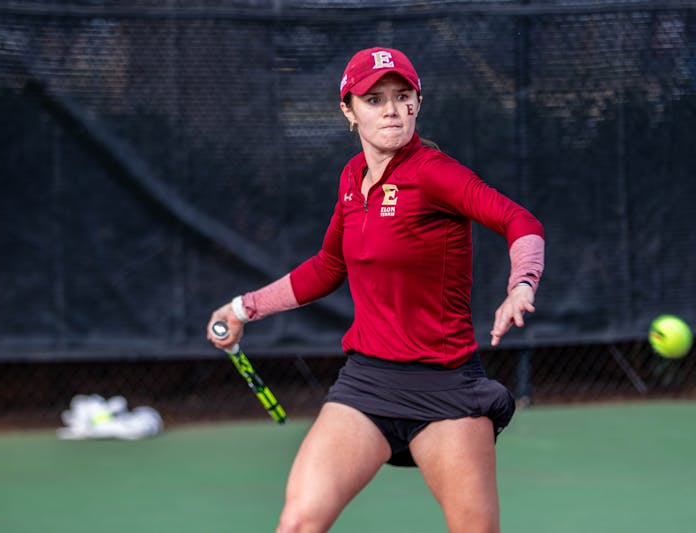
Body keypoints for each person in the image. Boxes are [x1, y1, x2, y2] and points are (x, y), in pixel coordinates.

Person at [207, 46, 545, 533]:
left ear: (416, 104)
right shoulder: (352, 179)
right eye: (373, 99)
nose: (390, 109)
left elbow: (521, 221)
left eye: (401, 96)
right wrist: (243, 308)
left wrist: (520, 285)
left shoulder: (434, 172)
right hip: (367, 384)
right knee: (298, 522)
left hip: (445, 386)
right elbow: (327, 266)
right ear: (349, 110)